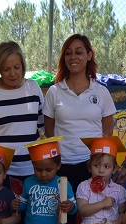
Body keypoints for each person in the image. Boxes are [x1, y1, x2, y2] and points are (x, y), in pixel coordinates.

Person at [44, 34, 116, 193]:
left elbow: (108, 133)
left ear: (89, 55)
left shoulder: (101, 91)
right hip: (62, 166)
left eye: (79, 52)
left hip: (92, 167)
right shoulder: (54, 91)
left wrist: (99, 165)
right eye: (68, 53)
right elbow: (49, 133)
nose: (73, 57)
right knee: (65, 216)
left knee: (92, 216)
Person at [0, 41, 44, 180]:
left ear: (23, 66)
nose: (13, 74)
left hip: (33, 170)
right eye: (6, 69)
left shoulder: (33, 88)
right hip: (1, 174)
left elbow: (44, 128)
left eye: (17, 67)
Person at [15, 138, 77, 224]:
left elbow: (75, 209)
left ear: (58, 166)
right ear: (33, 166)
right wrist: (16, 205)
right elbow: (22, 206)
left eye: (49, 170)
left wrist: (70, 206)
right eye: (38, 170)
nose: (43, 174)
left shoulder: (63, 183)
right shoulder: (28, 182)